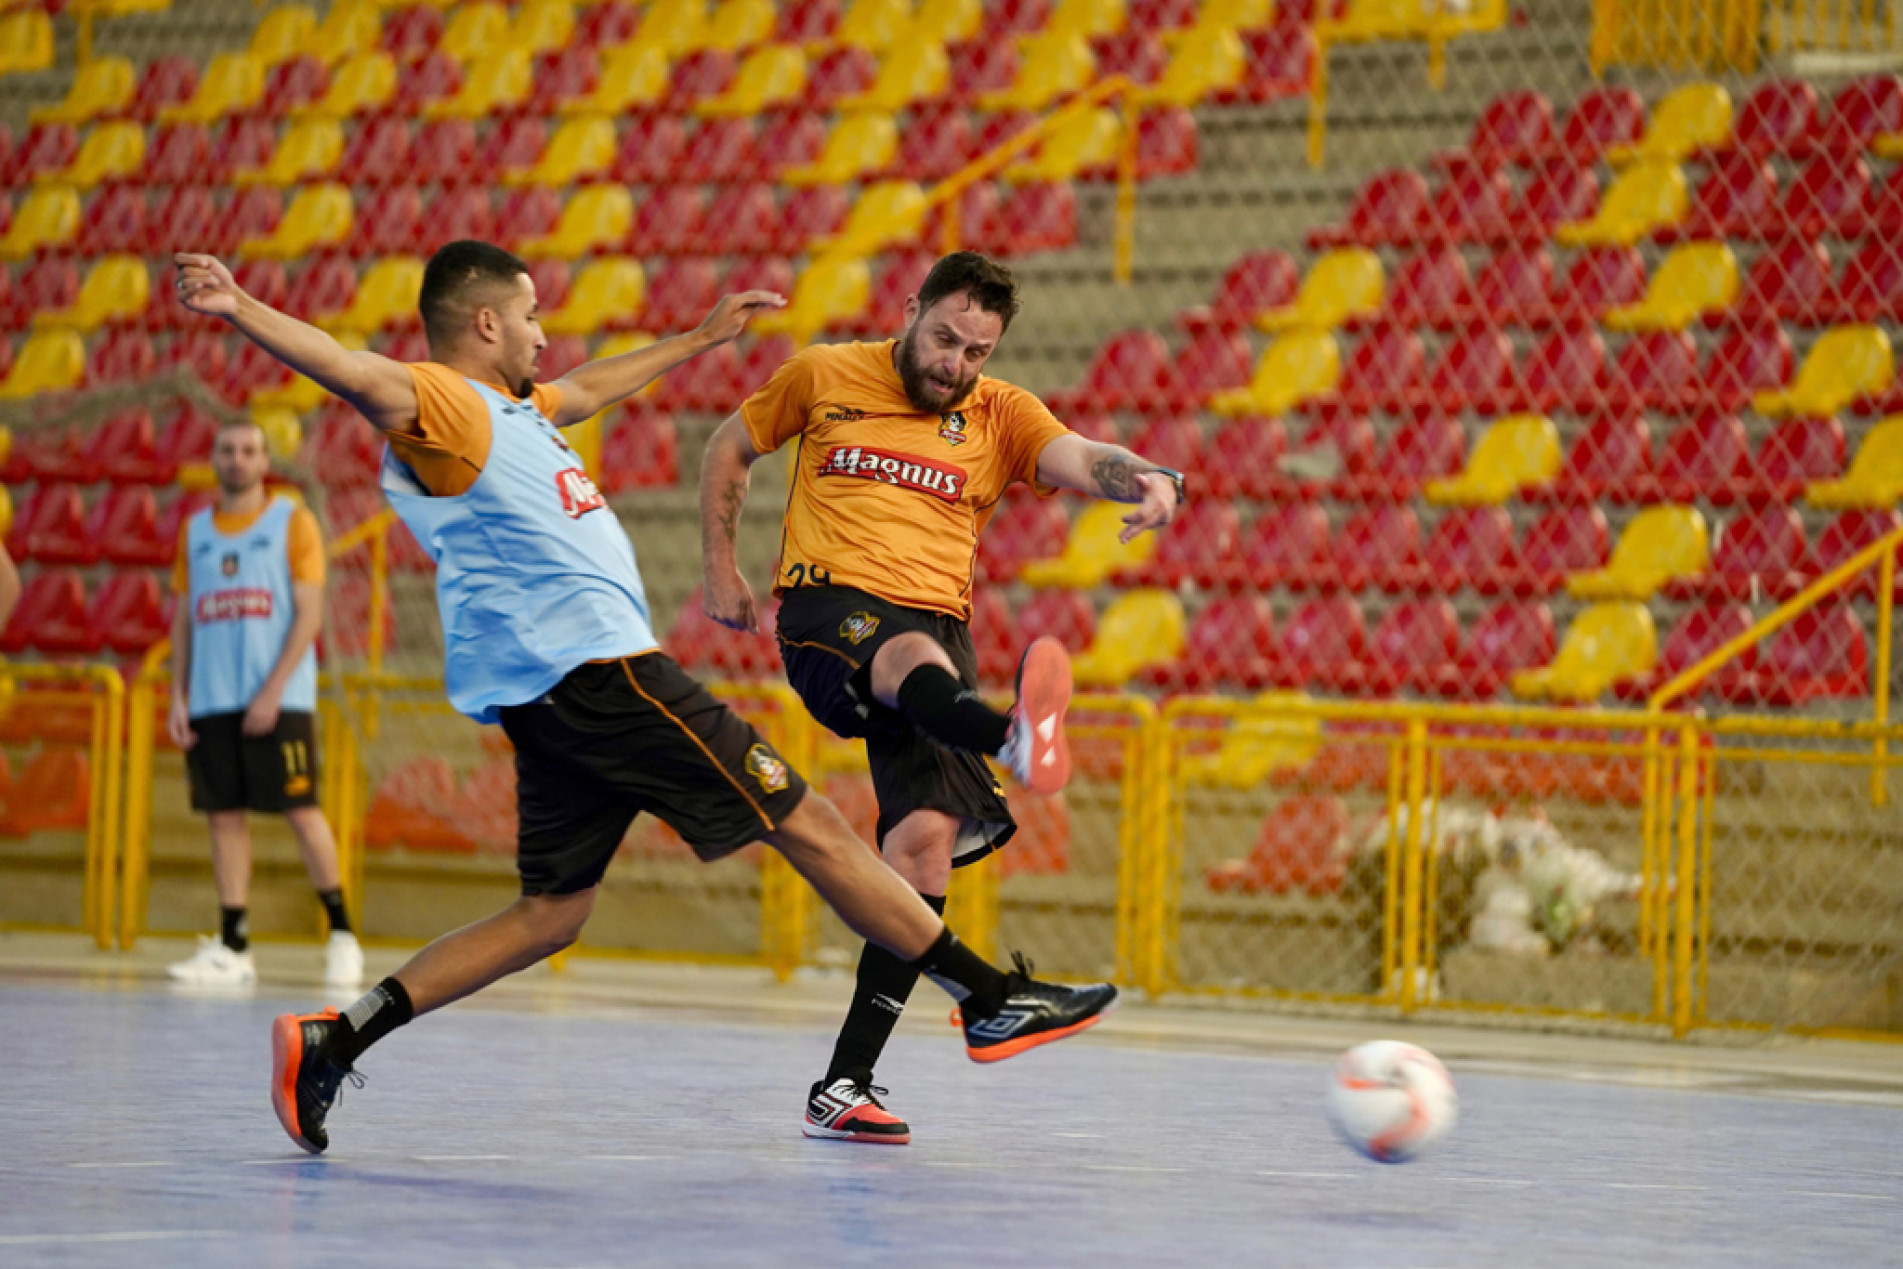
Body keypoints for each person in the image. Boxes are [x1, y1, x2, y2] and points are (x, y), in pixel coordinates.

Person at [171, 241, 1117, 1157]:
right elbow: (351, 370)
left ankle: (331, 1043)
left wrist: (699, 339)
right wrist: (241, 307)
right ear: (486, 320)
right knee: (811, 822)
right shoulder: (443, 402)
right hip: (603, 675)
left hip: (547, 696)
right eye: (534, 317)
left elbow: (586, 389)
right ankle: (986, 994)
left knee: (550, 914)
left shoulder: (520, 408)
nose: (547, 338)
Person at [699, 251, 1184, 1145]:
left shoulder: (998, 412)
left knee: (919, 855)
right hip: (827, 610)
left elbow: (1078, 455)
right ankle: (1010, 736)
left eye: (976, 351)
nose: (955, 363)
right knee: (905, 655)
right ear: (911, 308)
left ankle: (843, 1084)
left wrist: (1150, 476)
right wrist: (720, 567)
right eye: (944, 338)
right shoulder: (822, 373)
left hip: (934, 631)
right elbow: (730, 444)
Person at [164, 416, 362, 990]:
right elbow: (183, 617)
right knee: (224, 819)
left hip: (280, 699)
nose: (237, 459)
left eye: (248, 450)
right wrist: (179, 693)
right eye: (227, 449)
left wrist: (273, 690)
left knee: (303, 811)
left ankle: (342, 933)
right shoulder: (195, 529)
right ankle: (233, 945)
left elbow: (309, 614)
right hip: (212, 699)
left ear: (264, 460)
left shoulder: (291, 523)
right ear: (215, 458)